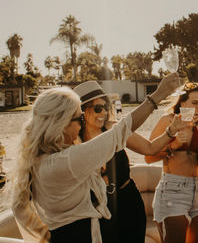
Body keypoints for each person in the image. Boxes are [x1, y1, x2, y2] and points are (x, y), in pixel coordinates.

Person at [4, 72, 180, 243]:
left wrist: (46, 235)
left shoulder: (41, 160)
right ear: (62, 124)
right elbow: (122, 131)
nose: (80, 124)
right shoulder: (66, 161)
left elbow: (19, 207)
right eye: (79, 118)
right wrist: (159, 94)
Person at [73, 81, 186, 243]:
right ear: (82, 111)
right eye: (98, 108)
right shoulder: (74, 140)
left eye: (105, 107)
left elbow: (150, 148)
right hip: (96, 207)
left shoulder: (113, 129)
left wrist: (171, 131)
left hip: (128, 203)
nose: (104, 112)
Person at [145, 82, 198, 243]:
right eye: (194, 103)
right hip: (173, 190)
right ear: (182, 102)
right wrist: (174, 145)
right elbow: (148, 157)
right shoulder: (168, 121)